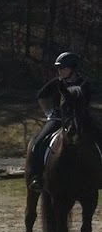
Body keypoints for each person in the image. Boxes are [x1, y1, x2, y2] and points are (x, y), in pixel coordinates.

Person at [29, 52, 96, 190]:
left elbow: (87, 104)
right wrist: (48, 113)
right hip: (58, 119)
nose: (60, 71)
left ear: (72, 68)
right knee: (38, 143)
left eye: (63, 68)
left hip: (80, 120)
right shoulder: (56, 83)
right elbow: (41, 96)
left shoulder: (84, 83)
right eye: (59, 68)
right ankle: (37, 176)